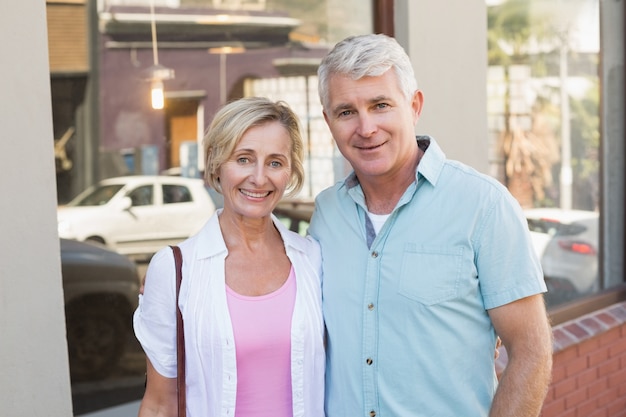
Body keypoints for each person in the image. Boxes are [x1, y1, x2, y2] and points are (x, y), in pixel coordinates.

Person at [308, 33, 553, 417]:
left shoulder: (483, 206)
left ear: (414, 105)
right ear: (328, 121)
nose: (366, 127)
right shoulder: (325, 213)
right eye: (346, 112)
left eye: (381, 105)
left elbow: (531, 352)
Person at [134, 97, 325, 417]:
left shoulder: (312, 259)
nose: (260, 178)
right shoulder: (176, 269)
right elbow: (159, 404)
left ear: (290, 171)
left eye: (275, 162)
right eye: (244, 159)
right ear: (216, 163)